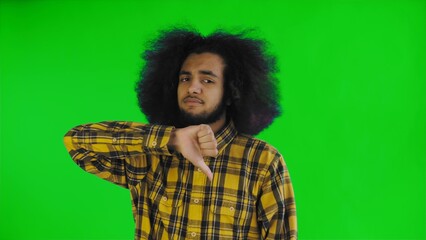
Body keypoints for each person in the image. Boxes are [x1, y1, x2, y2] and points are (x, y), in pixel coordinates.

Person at [63, 27, 298, 239]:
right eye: (185, 78)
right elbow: (77, 142)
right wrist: (172, 139)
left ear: (231, 93)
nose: (192, 87)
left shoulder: (264, 162)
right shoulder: (148, 155)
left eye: (207, 80)